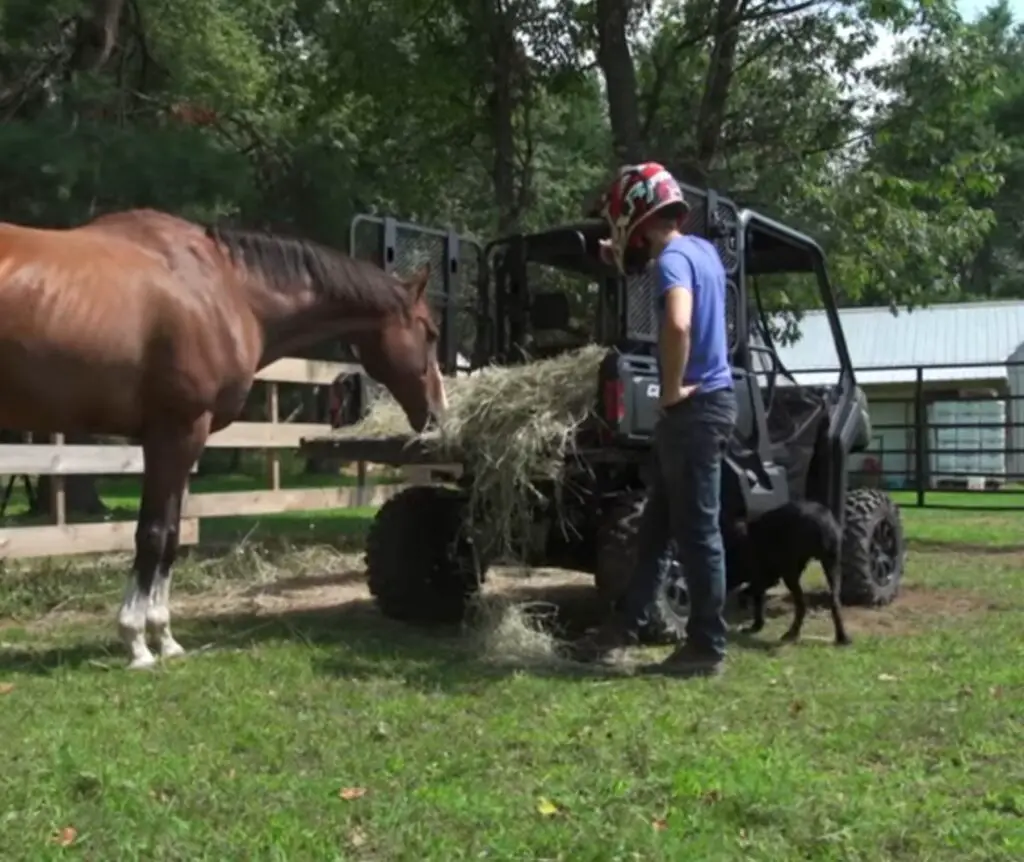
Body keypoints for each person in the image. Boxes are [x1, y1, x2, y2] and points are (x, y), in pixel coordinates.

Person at [578, 162, 738, 677]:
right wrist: (620, 257)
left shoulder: (672, 261)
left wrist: (669, 389)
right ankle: (622, 628)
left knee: (697, 531)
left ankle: (706, 648)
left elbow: (677, 320)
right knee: (655, 531)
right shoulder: (702, 252)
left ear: (633, 214)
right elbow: (668, 277)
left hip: (693, 408)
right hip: (703, 409)